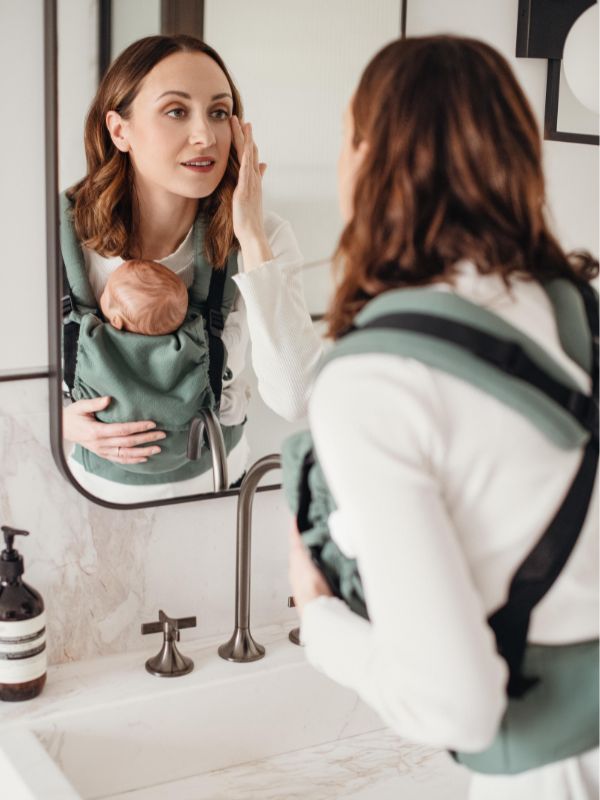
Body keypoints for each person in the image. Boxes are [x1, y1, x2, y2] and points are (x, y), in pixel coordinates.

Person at [286, 36, 598, 799]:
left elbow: (456, 706)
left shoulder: (375, 379)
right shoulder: (579, 308)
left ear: (366, 157)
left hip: (550, 772)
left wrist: (319, 619)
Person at [62, 35, 322, 502]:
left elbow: (296, 397)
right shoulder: (57, 237)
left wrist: (253, 239)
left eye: (219, 112)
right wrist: (56, 419)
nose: (205, 135)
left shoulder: (265, 237)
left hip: (217, 499)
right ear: (119, 131)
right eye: (177, 111)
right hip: (89, 502)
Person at [99, 259, 188, 335]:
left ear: (116, 321)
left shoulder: (101, 338)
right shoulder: (184, 342)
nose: (102, 291)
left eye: (105, 291)